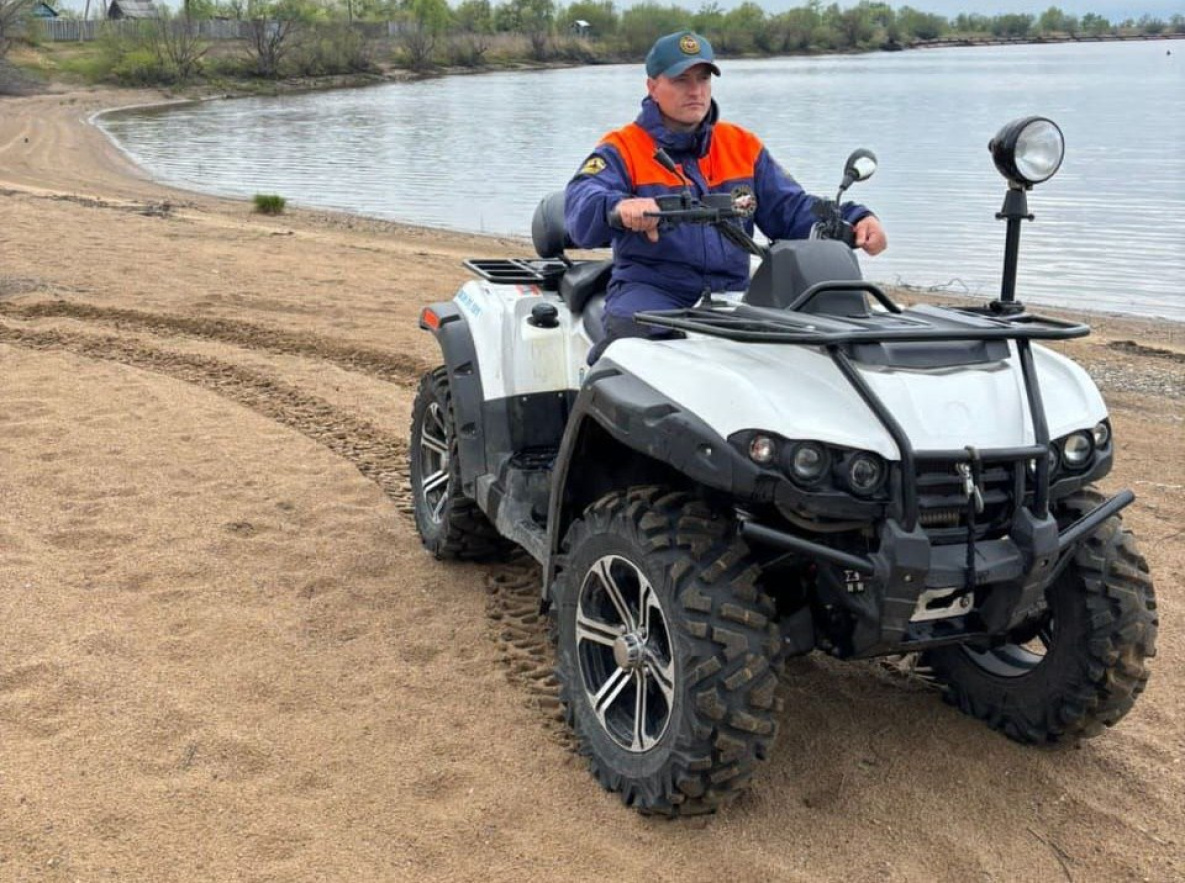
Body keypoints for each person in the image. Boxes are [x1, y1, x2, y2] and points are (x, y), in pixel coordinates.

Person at [565, 29, 887, 359]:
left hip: (732, 294)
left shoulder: (740, 144)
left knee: (799, 359)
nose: (696, 91)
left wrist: (853, 219)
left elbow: (789, 208)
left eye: (703, 79)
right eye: (681, 80)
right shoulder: (623, 148)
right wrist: (619, 206)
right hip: (652, 291)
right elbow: (581, 202)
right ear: (652, 85)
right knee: (629, 362)